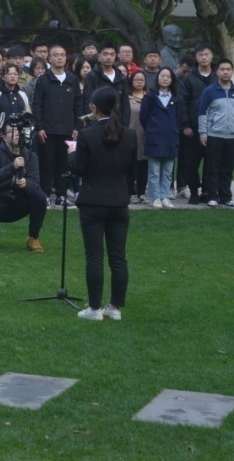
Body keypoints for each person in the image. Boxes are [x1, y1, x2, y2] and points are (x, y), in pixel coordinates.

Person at [68, 86, 139, 322]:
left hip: (93, 201)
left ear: (94, 108)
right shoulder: (130, 135)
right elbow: (132, 170)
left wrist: (72, 152)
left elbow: (79, 169)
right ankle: (114, 307)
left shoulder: (87, 135)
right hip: (119, 201)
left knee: (94, 256)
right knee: (118, 257)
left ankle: (94, 308)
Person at [0, 122, 48, 251]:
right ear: (4, 137)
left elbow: (35, 182)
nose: (17, 133)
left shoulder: (30, 156)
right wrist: (12, 167)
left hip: (18, 202)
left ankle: (33, 237)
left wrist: (27, 183)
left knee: (40, 197)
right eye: (11, 131)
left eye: (18, 130)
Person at [32, 45, 87, 208]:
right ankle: (45, 195)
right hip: (47, 131)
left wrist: (77, 126)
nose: (59, 58)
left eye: (62, 55)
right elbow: (37, 105)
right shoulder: (43, 80)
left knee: (64, 165)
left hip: (68, 130)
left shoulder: (72, 79)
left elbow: (78, 105)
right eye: (55, 55)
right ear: (49, 58)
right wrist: (39, 127)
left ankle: (61, 196)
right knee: (47, 165)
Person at [198, 58, 234, 208]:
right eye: (222, 69)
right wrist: (203, 133)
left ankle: (226, 197)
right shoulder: (209, 91)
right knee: (213, 168)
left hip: (233, 137)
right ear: (217, 72)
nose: (225, 72)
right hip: (214, 135)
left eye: (228, 69)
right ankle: (212, 196)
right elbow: (203, 113)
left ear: (232, 72)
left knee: (227, 169)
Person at [178, 42, 217, 203]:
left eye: (206, 54)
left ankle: (207, 191)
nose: (204, 57)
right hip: (194, 127)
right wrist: (186, 125)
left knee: (212, 162)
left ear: (212, 55)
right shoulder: (189, 77)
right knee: (191, 162)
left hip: (215, 127)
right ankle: (194, 191)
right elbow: (183, 102)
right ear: (196, 57)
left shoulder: (218, 76)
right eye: (200, 54)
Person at [140, 68, 182, 209]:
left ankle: (165, 196)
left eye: (168, 76)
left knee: (167, 171)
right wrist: (152, 130)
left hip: (171, 138)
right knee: (154, 171)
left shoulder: (176, 99)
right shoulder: (150, 97)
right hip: (154, 138)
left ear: (172, 80)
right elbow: (143, 117)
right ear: (157, 78)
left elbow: (178, 118)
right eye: (162, 76)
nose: (165, 79)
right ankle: (154, 197)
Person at [126, 69, 149, 204]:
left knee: (144, 165)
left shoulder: (149, 97)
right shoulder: (127, 98)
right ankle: (131, 192)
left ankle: (142, 192)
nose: (139, 82)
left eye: (142, 80)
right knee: (131, 165)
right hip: (131, 134)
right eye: (136, 79)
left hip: (146, 135)